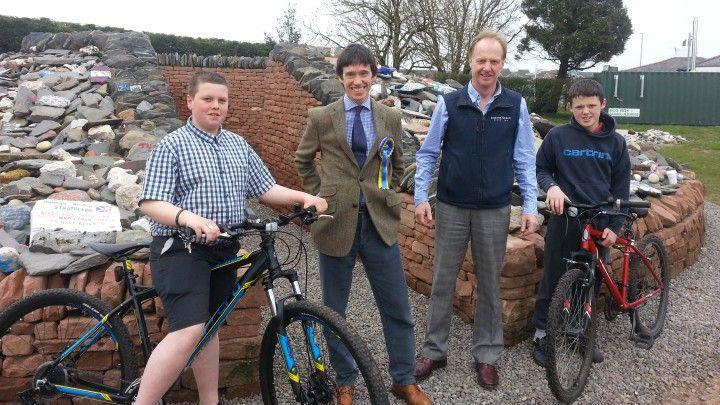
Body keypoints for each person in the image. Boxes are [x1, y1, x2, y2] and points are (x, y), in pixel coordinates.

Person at [136, 71, 327, 405]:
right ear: (190, 101)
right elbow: (151, 202)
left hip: (223, 247)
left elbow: (265, 188)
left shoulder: (238, 145)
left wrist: (303, 197)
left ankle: (210, 402)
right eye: (208, 99)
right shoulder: (173, 145)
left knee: (211, 327)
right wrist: (189, 218)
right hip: (181, 249)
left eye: (221, 100)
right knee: (191, 330)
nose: (215, 106)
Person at [294, 44, 431, 405]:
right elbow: (303, 160)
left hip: (379, 223)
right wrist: (318, 195)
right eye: (350, 74)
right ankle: (344, 382)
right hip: (335, 221)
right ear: (340, 78)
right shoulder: (322, 116)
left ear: (374, 76)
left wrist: (384, 193)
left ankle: (403, 380)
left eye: (363, 73)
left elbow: (397, 165)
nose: (357, 80)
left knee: (397, 307)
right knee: (334, 310)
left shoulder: (389, 117)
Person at [413, 30, 538, 390]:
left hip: (494, 210)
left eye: (494, 61)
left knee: (489, 285)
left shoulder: (515, 105)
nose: (487, 67)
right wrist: (422, 197)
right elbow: (427, 154)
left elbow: (525, 159)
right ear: (470, 61)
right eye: (481, 60)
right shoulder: (448, 104)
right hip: (451, 206)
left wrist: (530, 204)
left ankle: (486, 355)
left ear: (502, 64)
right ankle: (435, 350)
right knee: (442, 282)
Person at [531, 78, 630, 367]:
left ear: (603, 104)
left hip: (599, 221)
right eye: (578, 107)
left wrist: (615, 225)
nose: (585, 112)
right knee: (554, 276)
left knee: (590, 279)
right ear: (570, 107)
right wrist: (551, 187)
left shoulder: (616, 143)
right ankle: (542, 333)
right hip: (566, 218)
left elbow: (621, 190)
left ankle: (578, 331)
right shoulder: (558, 136)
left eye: (591, 106)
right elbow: (542, 168)